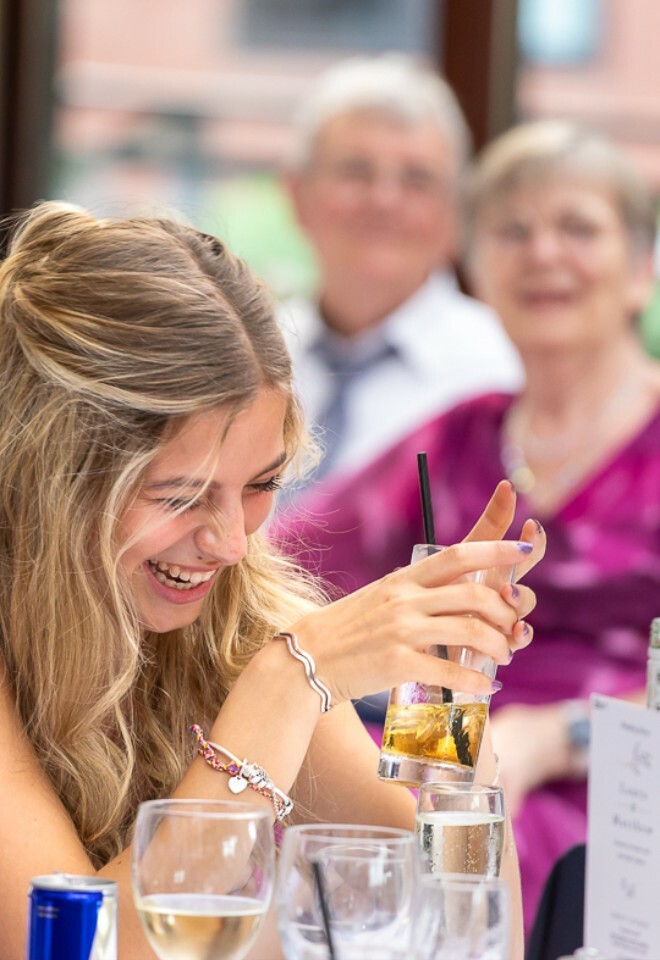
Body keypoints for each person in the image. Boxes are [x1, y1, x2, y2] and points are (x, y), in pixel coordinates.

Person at [0, 201, 545, 959]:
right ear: (54, 480)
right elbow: (75, 949)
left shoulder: (237, 617)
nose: (229, 543)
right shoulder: (276, 660)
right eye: (180, 496)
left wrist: (444, 713)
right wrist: (287, 682)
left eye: (260, 484)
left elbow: (447, 929)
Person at [274, 120, 660, 937]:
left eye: (578, 227)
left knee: (490, 849)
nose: (542, 253)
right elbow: (281, 562)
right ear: (479, 271)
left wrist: (561, 734)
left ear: (641, 270)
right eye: (512, 231)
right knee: (324, 835)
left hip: (621, 776)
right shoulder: (455, 437)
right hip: (439, 748)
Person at [279, 54, 523, 488]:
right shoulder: (252, 355)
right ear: (297, 195)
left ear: (455, 213)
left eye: (417, 179)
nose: (384, 200)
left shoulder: (503, 375)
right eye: (356, 171)